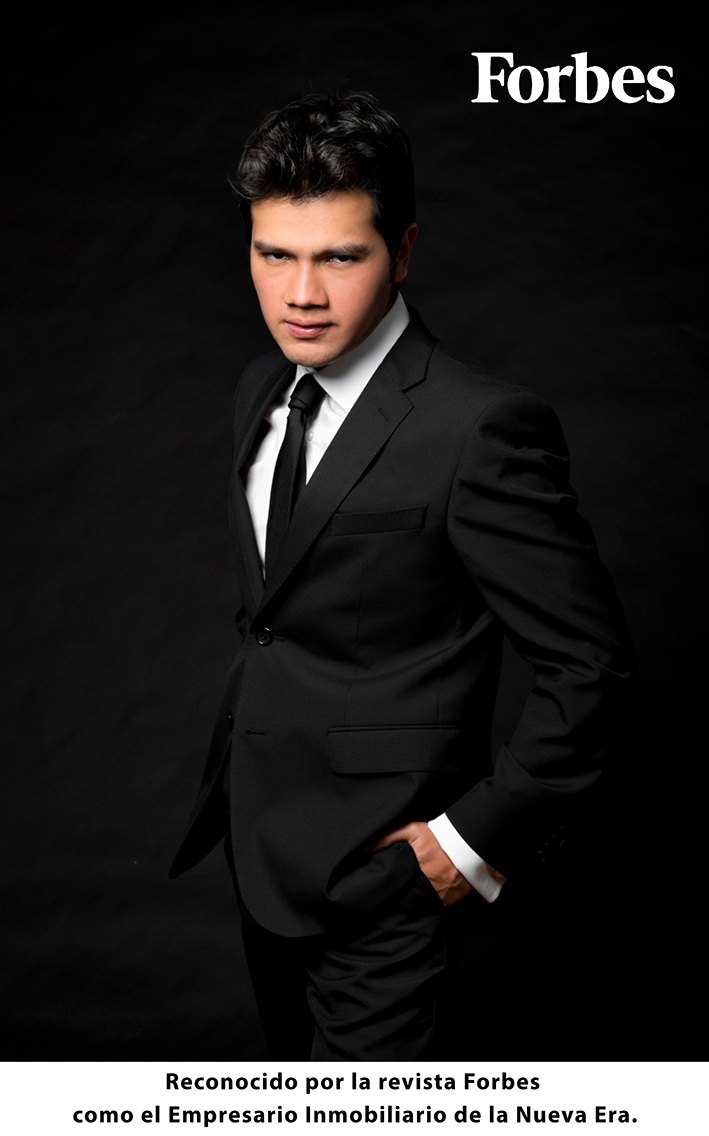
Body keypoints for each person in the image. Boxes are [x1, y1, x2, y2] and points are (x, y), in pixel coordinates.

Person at [170, 90, 634, 1060]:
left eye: (340, 257)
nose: (301, 293)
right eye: (273, 254)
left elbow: (590, 668)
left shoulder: (478, 428)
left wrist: (463, 847)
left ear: (403, 251)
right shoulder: (261, 390)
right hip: (262, 851)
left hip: (388, 877)